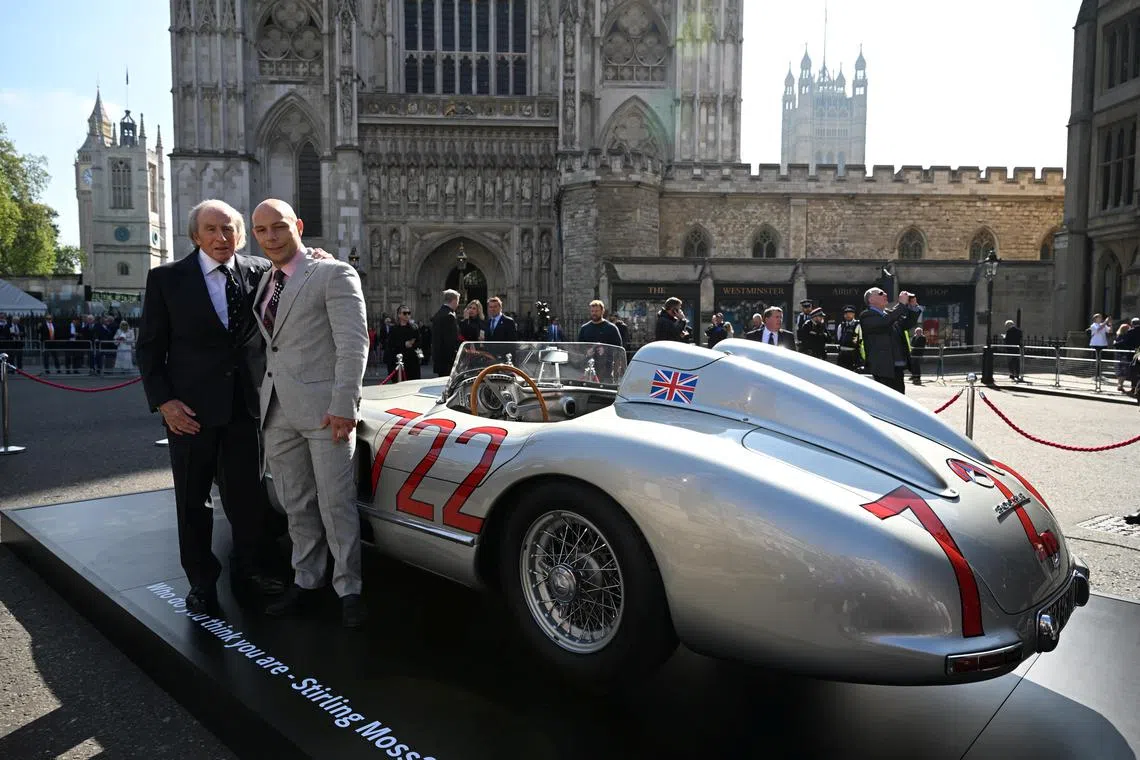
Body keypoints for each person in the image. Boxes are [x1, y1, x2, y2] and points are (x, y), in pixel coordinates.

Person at [135, 199, 287, 617]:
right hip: (190, 413)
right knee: (193, 500)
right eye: (212, 230)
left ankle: (248, 572)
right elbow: (149, 349)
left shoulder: (260, 272)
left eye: (230, 229)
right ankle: (201, 582)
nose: (222, 238)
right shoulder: (167, 279)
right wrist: (165, 403)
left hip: (244, 408)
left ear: (241, 233)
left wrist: (319, 258)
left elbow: (297, 274)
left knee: (247, 499)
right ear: (195, 235)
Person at [250, 199, 370, 629]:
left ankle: (349, 588)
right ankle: (307, 579)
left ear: (298, 226)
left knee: (337, 503)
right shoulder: (265, 280)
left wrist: (344, 405)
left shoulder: (333, 273)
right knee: (295, 502)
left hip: (325, 412)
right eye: (261, 230)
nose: (271, 237)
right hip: (278, 409)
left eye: (279, 227)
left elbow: (354, 343)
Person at [859, 287, 921, 393]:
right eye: (880, 293)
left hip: (897, 366)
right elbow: (885, 322)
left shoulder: (888, 314)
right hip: (883, 368)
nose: (885, 294)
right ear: (871, 300)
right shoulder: (867, 315)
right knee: (887, 403)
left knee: (900, 399)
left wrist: (912, 306)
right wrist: (901, 304)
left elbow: (906, 324)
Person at [386, 306, 422, 382]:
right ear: (399, 315)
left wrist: (415, 346)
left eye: (409, 313)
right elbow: (390, 345)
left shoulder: (414, 328)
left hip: (412, 363)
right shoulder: (394, 329)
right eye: (405, 313)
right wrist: (404, 344)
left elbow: (419, 343)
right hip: (399, 361)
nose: (407, 315)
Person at [431, 289, 461, 377]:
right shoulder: (449, 316)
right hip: (448, 360)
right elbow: (451, 341)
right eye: (458, 301)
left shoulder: (438, 313)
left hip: (439, 358)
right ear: (455, 300)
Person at [835, 306, 861, 372]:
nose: (848, 315)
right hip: (842, 354)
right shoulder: (841, 325)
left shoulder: (858, 324)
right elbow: (839, 338)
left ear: (854, 314)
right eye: (846, 314)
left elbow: (860, 339)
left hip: (853, 354)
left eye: (850, 313)